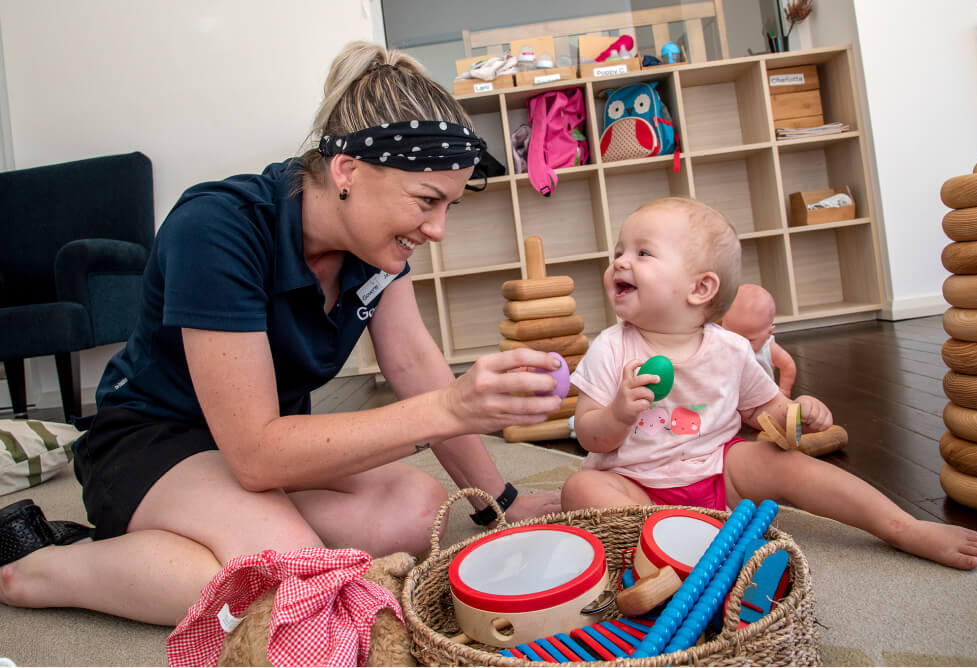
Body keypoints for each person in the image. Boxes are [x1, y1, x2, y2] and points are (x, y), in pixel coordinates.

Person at [0, 41, 566, 626]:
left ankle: (229, 533)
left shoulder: (378, 248)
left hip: (261, 446)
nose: (438, 229)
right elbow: (255, 455)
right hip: (156, 441)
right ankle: (45, 567)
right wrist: (451, 407)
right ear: (347, 170)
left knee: (419, 514)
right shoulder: (217, 227)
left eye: (448, 205)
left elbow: (413, 366)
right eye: (426, 201)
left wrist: (499, 503)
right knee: (297, 576)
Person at [560, 196, 977, 570]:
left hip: (718, 471)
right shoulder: (611, 347)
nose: (620, 261)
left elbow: (762, 411)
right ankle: (681, 547)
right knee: (581, 488)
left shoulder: (730, 349)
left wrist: (795, 415)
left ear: (700, 288)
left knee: (781, 462)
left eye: (643, 252)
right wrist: (617, 414)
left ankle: (902, 527)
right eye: (619, 251)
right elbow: (591, 437)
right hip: (636, 485)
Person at [721, 283, 796, 397]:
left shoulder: (769, 348)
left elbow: (788, 366)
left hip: (763, 397)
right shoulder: (721, 343)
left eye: (749, 340)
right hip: (732, 398)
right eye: (733, 336)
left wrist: (784, 390)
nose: (740, 344)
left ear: (768, 333)